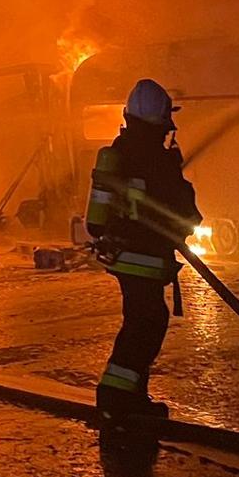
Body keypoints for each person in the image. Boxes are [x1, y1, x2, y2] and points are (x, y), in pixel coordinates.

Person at [85, 79, 201, 426]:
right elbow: (187, 213)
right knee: (145, 327)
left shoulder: (117, 156)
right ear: (163, 120)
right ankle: (114, 398)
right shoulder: (160, 161)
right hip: (148, 259)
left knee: (142, 324)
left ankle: (130, 399)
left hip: (124, 258)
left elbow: (95, 221)